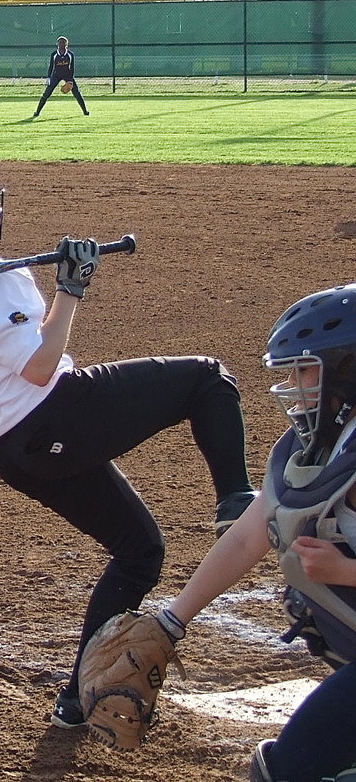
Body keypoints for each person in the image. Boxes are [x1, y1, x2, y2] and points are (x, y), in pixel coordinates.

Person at [0, 127, 255, 729]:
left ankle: (78, 698)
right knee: (207, 380)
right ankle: (237, 503)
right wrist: (69, 291)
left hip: (8, 450)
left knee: (140, 551)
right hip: (55, 413)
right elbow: (38, 369)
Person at [151, 283, 356, 782]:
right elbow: (248, 536)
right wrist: (170, 622)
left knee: (289, 771)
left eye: (307, 369)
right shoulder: (315, 448)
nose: (296, 384)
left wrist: (345, 569)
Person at [33, 36, 89, 118]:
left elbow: (72, 67)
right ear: (57, 44)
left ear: (66, 44)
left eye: (63, 42)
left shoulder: (70, 54)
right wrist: (49, 78)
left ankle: (85, 111)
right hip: (56, 75)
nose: (61, 44)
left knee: (77, 93)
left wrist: (70, 80)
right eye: (60, 42)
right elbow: (51, 67)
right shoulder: (54, 54)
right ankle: (37, 112)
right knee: (47, 93)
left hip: (67, 75)